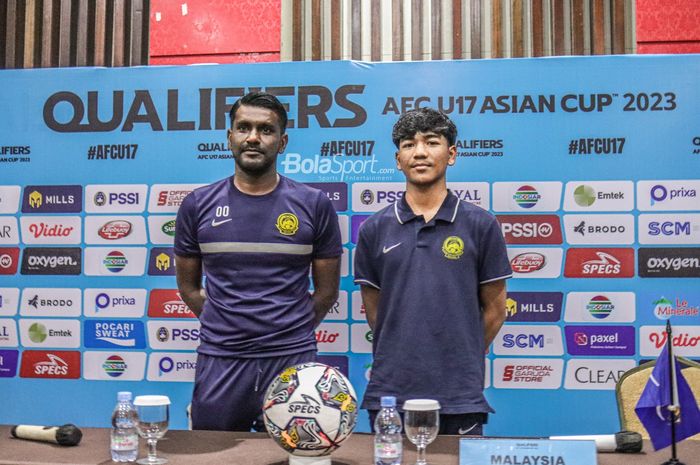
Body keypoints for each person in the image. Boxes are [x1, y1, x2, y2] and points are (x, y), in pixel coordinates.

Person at [174, 91, 342, 431]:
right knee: (213, 456)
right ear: (230, 137)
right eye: (243, 128)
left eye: (265, 130)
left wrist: (288, 330)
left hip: (292, 358)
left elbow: (326, 293)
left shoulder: (314, 205)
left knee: (295, 456)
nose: (253, 137)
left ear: (282, 142)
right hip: (222, 359)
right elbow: (188, 287)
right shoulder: (197, 205)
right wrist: (226, 324)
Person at [353, 108, 511, 435]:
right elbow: (376, 313)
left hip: (460, 395)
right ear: (398, 159)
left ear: (451, 154)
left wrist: (457, 352)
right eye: (409, 144)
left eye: (432, 142)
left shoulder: (481, 225)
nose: (420, 152)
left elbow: (495, 311)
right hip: (390, 392)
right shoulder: (373, 229)